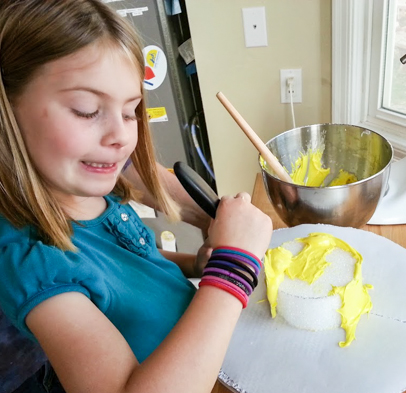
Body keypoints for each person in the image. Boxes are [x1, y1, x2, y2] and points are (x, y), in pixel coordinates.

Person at [0, 2, 273, 393]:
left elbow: (133, 268)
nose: (122, 136)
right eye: (87, 110)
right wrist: (233, 268)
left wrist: (194, 264)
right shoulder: (34, 264)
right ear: (7, 111)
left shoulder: (92, 196)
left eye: (131, 112)